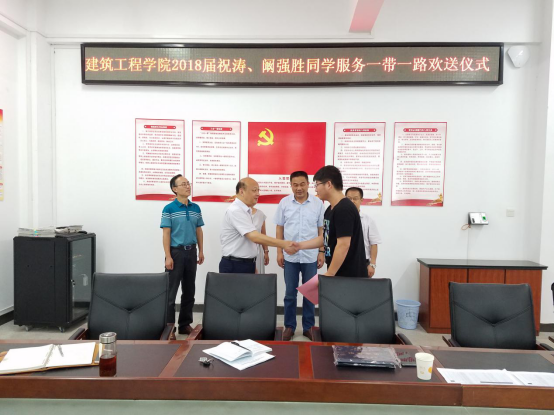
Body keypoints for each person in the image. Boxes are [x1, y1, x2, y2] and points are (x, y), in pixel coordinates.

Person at [275, 171, 325, 341]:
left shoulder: (318, 204)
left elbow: (321, 229)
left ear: (308, 184)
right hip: (290, 257)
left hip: (310, 256)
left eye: (302, 184)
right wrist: (279, 251)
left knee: (310, 293)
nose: (299, 188)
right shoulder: (284, 203)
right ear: (291, 185)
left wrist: (321, 252)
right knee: (290, 293)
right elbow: (280, 228)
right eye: (295, 184)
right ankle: (289, 326)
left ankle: (308, 327)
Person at [295, 166, 367, 278]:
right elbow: (325, 238)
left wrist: (330, 274)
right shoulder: (330, 209)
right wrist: (299, 246)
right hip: (338, 273)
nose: (316, 189)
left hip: (349, 276)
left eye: (317, 185)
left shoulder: (344, 209)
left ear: (328, 184)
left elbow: (343, 245)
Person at [220, 177, 297, 274]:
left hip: (246, 264)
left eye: (258, 190)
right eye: (254, 190)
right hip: (235, 266)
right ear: (242, 191)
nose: (258, 194)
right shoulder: (235, 210)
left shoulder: (246, 210)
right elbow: (254, 236)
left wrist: (251, 264)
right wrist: (284, 244)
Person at [161, 175, 205, 336]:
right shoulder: (169, 209)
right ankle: (169, 328)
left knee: (189, 290)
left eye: (188, 183)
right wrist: (168, 256)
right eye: (183, 184)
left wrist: (201, 250)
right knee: (170, 292)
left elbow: (199, 230)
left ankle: (185, 324)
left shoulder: (195, 208)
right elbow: (166, 233)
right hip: (176, 253)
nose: (188, 186)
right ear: (174, 189)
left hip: (191, 252)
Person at [345, 187, 383, 277]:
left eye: (355, 198)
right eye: (349, 199)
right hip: (343, 261)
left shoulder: (368, 220)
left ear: (361, 200)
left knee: (362, 286)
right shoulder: (341, 219)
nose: (352, 201)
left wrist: (372, 264)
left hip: (362, 262)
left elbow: (374, 243)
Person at [252, 205, 270, 274]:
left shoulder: (260, 214)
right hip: (242, 253)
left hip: (257, 252)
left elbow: (263, 235)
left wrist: (266, 251)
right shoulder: (238, 213)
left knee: (257, 277)